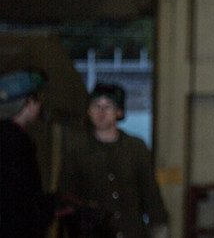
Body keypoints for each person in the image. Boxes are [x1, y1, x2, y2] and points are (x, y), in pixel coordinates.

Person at [58, 83, 169, 238]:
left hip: (131, 232)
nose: (101, 112)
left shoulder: (136, 148)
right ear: (89, 111)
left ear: (119, 111)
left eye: (108, 106)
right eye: (96, 106)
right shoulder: (77, 151)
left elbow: (150, 193)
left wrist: (159, 228)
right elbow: (66, 196)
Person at [0, 69, 58, 238]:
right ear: (30, 103)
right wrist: (50, 206)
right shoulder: (17, 143)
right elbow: (23, 204)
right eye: (38, 100)